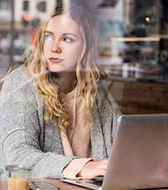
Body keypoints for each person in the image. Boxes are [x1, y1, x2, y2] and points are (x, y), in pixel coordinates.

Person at [0, 4, 121, 180]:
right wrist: (83, 167)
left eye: (67, 39)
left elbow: (122, 153)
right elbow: (19, 157)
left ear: (86, 48)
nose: (54, 47)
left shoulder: (98, 95)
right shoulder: (21, 84)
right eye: (49, 37)